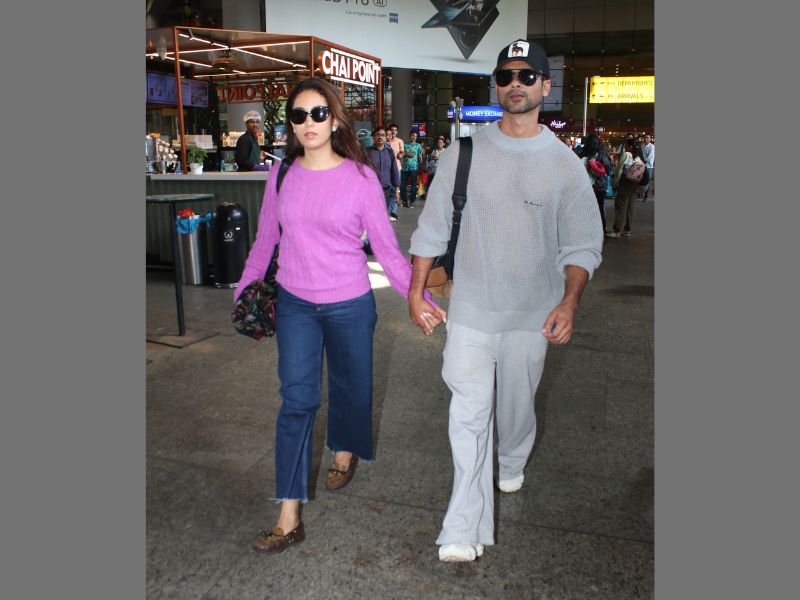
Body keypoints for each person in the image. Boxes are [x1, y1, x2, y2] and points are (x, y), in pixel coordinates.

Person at [408, 39, 603, 563]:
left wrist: (569, 302)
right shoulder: (463, 153)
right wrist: (414, 290)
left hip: (531, 316)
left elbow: (582, 244)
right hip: (471, 311)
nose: (515, 84)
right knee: (468, 416)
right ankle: (461, 527)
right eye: (505, 76)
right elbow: (432, 228)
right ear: (495, 86)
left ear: (545, 86)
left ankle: (513, 458)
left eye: (526, 75)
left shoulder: (565, 166)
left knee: (516, 409)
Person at [234, 77, 445, 554]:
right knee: (297, 400)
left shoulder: (361, 177)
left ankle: (344, 451)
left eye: (318, 113)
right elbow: (265, 242)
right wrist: (244, 289)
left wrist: (416, 297)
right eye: (299, 115)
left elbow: (387, 250)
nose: (308, 122)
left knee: (350, 386)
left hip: (350, 302)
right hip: (295, 304)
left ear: (334, 120)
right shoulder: (280, 175)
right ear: (290, 124)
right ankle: (288, 514)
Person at [606, 136, 650, 238]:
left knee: (620, 205)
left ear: (630, 146)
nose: (624, 146)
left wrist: (615, 182)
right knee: (631, 206)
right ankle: (627, 229)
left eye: (626, 144)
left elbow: (619, 169)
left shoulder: (626, 154)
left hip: (626, 182)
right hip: (636, 183)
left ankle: (617, 230)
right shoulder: (639, 157)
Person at [579, 134, 614, 233]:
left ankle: (587, 228)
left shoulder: (582, 154)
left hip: (586, 186)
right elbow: (609, 169)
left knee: (586, 208)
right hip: (600, 186)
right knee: (600, 207)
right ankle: (601, 229)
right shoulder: (602, 154)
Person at [366, 126, 401, 222]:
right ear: (373, 137)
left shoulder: (390, 152)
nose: (380, 137)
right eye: (377, 135)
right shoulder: (367, 152)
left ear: (386, 137)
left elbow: (394, 171)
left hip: (386, 190)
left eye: (382, 135)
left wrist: (397, 191)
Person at [400, 130, 424, 207]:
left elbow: (420, 155)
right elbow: (401, 154)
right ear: (410, 136)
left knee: (413, 186)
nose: (414, 137)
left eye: (416, 136)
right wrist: (407, 154)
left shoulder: (418, 145)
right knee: (402, 186)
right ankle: (404, 201)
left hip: (414, 168)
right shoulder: (405, 144)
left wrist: (421, 165)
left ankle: (412, 202)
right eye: (413, 135)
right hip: (405, 168)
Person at [386, 124, 405, 211]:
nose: (393, 131)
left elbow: (402, 152)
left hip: (396, 167)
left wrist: (401, 155)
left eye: (395, 130)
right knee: (387, 190)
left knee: (395, 189)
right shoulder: (385, 141)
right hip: (386, 168)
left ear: (397, 131)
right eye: (392, 130)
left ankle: (393, 212)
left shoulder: (399, 141)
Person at [639, 134, 655, 201]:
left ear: (650, 139)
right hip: (641, 165)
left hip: (649, 166)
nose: (646, 139)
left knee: (647, 181)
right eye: (645, 137)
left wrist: (643, 160)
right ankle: (640, 195)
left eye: (648, 138)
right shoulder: (642, 145)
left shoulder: (652, 146)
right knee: (640, 179)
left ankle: (645, 196)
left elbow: (650, 156)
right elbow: (640, 154)